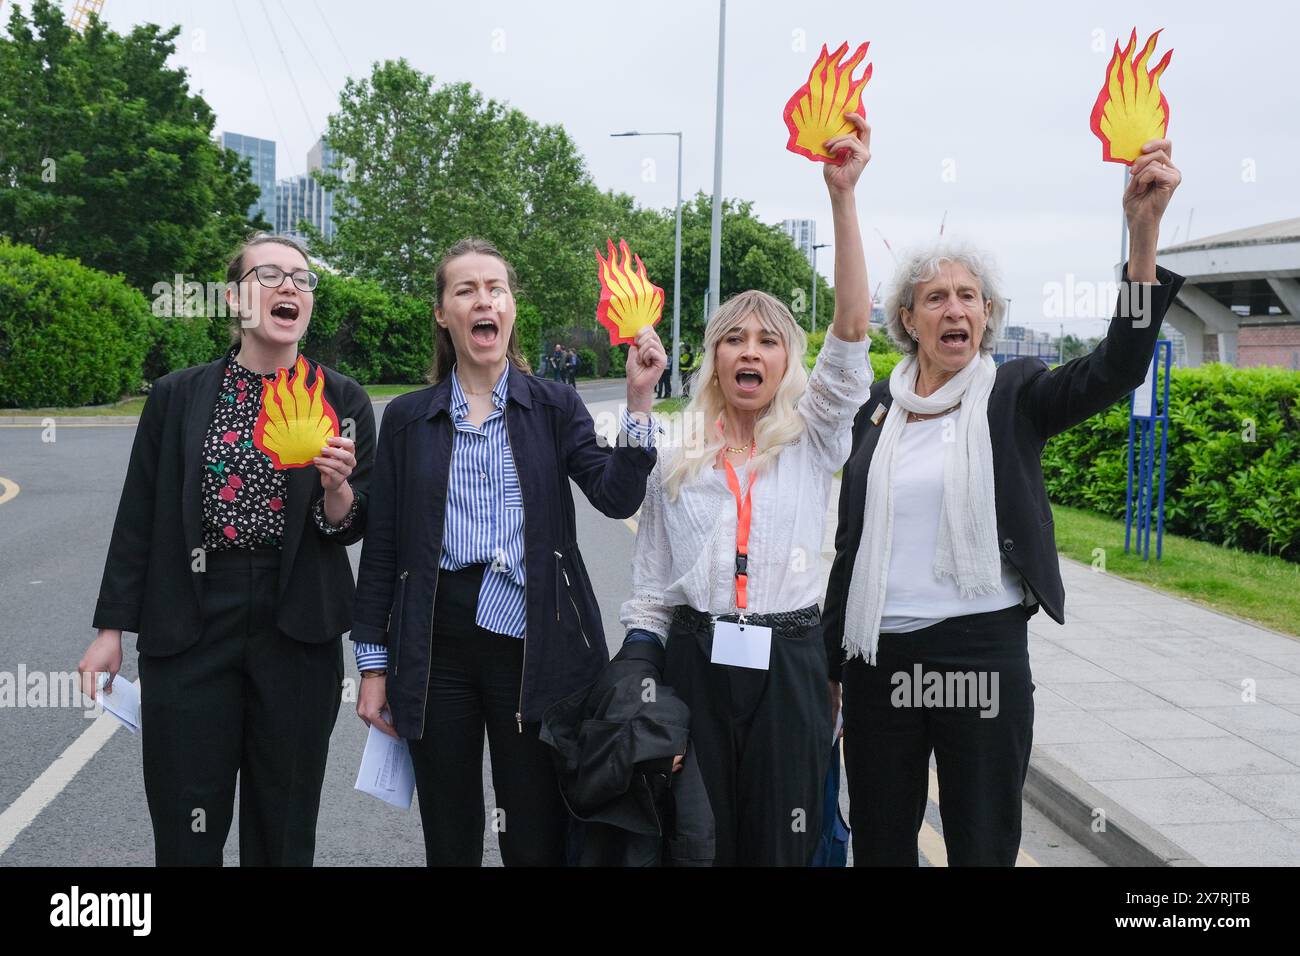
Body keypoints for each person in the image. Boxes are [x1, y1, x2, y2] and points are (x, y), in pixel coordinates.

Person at [822, 139, 1184, 866]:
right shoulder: (875, 409)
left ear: (987, 315)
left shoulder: (1015, 393)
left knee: (983, 845)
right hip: (878, 657)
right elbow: (851, 543)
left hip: (979, 653)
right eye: (937, 298)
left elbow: (1118, 366)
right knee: (881, 845)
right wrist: (830, 663)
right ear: (909, 318)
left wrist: (1142, 232)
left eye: (970, 297)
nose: (955, 309)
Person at [351, 237, 667, 866]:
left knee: (532, 831)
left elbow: (615, 497)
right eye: (465, 290)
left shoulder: (553, 405)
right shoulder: (409, 418)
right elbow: (383, 548)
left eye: (495, 288)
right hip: (436, 642)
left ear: (511, 307)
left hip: (534, 643)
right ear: (443, 313)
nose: (483, 300)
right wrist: (372, 666)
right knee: (450, 830)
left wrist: (639, 404)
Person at [619, 112, 874, 865]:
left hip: (789, 663)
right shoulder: (677, 451)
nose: (749, 351)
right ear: (715, 358)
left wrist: (842, 198)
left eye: (768, 340)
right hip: (695, 661)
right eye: (734, 338)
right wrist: (637, 670)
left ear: (787, 361)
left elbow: (851, 331)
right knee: (698, 841)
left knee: (781, 844)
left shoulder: (814, 435)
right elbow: (651, 586)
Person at [78, 233, 375, 865]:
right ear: (235, 298)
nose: (290, 286)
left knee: (284, 826)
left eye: (302, 278)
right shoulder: (177, 396)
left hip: (297, 626)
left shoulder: (342, 399)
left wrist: (338, 490)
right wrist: (111, 630)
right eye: (269, 275)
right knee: (187, 825)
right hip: (191, 619)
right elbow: (139, 516)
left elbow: (351, 526)